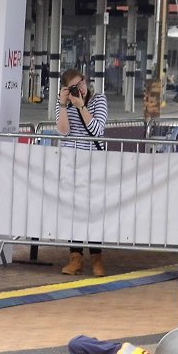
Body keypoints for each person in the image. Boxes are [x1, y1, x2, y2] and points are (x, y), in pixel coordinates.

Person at [55, 68, 110, 276]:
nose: (81, 89)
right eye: (75, 87)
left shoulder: (99, 100)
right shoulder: (63, 103)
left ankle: (97, 260)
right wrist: (63, 104)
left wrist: (82, 108)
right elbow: (63, 131)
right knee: (74, 211)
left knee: (93, 211)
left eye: (82, 83)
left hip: (93, 163)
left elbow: (97, 130)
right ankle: (75, 258)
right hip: (71, 163)